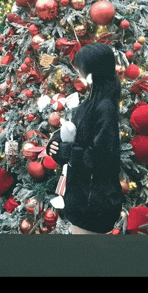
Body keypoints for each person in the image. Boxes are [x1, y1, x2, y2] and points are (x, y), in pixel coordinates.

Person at [45, 43, 123, 234]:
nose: (77, 71)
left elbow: (101, 158)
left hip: (94, 204)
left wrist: (68, 151)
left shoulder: (105, 108)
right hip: (82, 198)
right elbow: (79, 139)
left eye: (81, 67)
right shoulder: (90, 103)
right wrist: (57, 146)